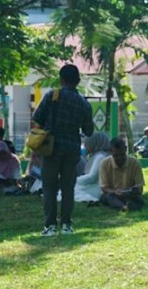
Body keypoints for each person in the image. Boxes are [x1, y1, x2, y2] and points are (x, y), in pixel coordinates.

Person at [32, 64, 94, 236]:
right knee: (68, 187)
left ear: (62, 79)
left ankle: (50, 226)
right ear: (78, 81)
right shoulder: (83, 103)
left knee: (49, 186)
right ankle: (67, 224)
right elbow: (89, 130)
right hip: (73, 148)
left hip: (51, 147)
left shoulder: (53, 95)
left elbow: (37, 118)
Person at [98, 136, 146, 211]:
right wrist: (115, 192)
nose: (119, 158)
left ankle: (126, 205)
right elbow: (104, 187)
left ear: (126, 149)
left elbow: (140, 186)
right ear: (110, 152)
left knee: (138, 198)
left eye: (122, 155)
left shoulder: (135, 163)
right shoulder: (104, 164)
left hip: (129, 194)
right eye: (116, 156)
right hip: (113, 194)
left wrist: (131, 192)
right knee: (107, 197)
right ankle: (124, 207)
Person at [74, 131, 111, 203]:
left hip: (96, 188)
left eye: (87, 144)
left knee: (73, 190)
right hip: (93, 185)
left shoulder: (100, 157)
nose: (85, 146)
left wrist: (73, 180)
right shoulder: (98, 156)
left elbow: (92, 177)